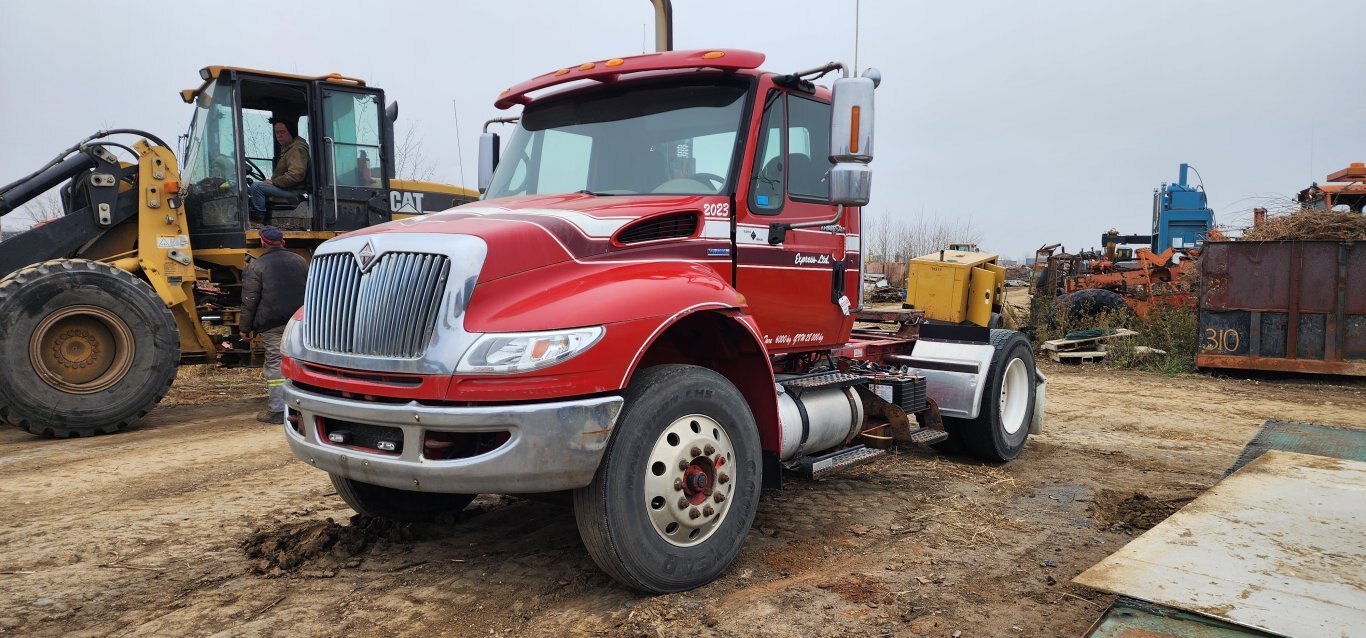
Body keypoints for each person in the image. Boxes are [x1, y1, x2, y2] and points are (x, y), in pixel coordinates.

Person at [239, 226, 309, 423]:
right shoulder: (300, 260)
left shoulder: (257, 266)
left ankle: (278, 409)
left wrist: (245, 328)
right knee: (299, 362)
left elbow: (250, 300)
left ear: (262, 242)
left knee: (275, 364)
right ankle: (304, 408)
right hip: (298, 322)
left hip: (272, 324)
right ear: (283, 241)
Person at [248, 120, 310, 220]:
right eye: (277, 132)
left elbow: (296, 175)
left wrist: (274, 182)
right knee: (248, 189)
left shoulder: (297, 149)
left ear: (291, 132)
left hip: (294, 191)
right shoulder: (287, 148)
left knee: (256, 187)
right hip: (286, 188)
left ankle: (258, 218)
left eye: (283, 132)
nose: (279, 135)